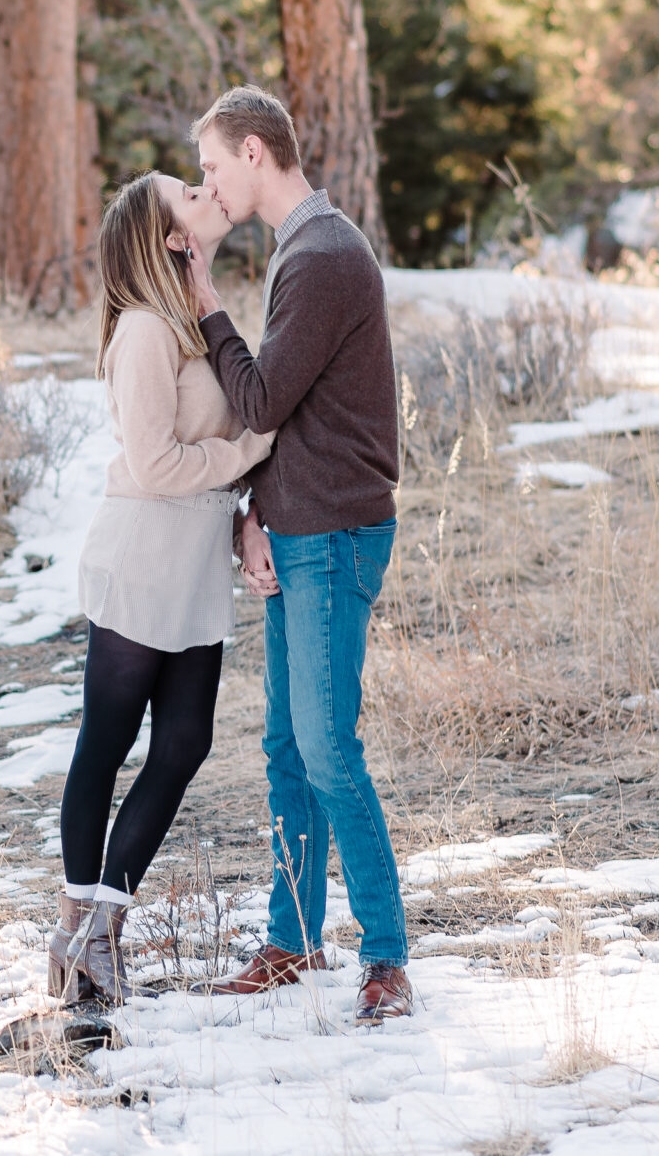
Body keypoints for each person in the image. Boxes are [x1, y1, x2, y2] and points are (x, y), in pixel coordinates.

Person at [182, 84, 414, 1025]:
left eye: (209, 167)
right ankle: (293, 938)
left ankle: (387, 956)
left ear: (252, 153)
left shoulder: (322, 256)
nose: (208, 187)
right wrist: (251, 513)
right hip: (297, 532)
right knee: (286, 746)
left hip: (337, 537)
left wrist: (205, 303)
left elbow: (264, 400)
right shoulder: (302, 251)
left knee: (327, 749)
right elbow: (296, 421)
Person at [48, 172, 275, 1008]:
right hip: (143, 552)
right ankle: (84, 934)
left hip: (193, 559)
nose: (206, 188)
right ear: (172, 235)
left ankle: (97, 928)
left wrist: (244, 505)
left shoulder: (197, 318)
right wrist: (252, 449)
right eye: (189, 189)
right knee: (105, 743)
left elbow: (221, 439)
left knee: (183, 744)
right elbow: (155, 464)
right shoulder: (144, 329)